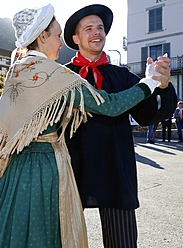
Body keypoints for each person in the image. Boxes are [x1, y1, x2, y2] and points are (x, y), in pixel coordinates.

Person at [0, 4, 167, 247]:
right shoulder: (55, 75)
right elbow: (110, 106)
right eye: (58, 36)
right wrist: (149, 82)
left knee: (18, 232)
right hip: (47, 167)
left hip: (17, 169)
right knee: (48, 234)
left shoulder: (17, 70)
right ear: (42, 36)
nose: (61, 44)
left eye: (99, 27)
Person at [63, 4, 177, 247]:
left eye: (100, 28)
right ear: (76, 38)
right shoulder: (61, 76)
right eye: (89, 28)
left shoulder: (122, 76)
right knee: (63, 240)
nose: (97, 32)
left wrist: (164, 86)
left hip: (115, 168)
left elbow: (148, 115)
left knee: (122, 243)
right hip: (71, 169)